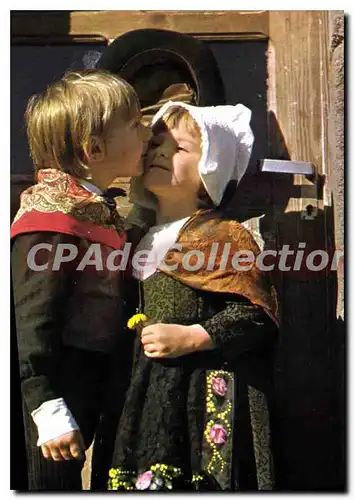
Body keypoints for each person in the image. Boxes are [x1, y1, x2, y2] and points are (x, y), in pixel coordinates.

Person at [107, 101, 279, 491]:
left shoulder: (221, 236)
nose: (161, 152)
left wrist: (193, 336)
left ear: (210, 171)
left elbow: (256, 315)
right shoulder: (135, 238)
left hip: (199, 398)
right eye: (155, 144)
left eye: (180, 148)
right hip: (145, 394)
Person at [11, 68, 149, 490]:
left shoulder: (91, 207)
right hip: (52, 386)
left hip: (84, 377)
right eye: (135, 124)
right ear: (94, 148)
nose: (147, 131)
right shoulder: (51, 220)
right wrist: (46, 405)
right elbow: (32, 319)